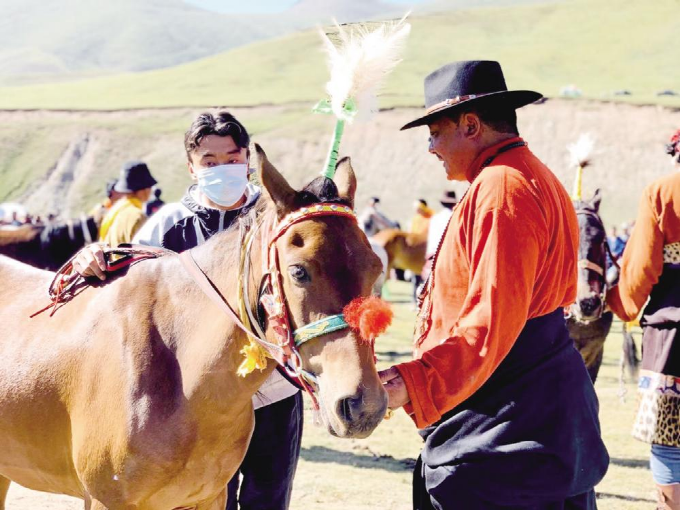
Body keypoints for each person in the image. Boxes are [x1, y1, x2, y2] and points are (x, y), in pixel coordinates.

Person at [378, 60, 609, 510]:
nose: (431, 148)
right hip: (527, 410)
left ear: (470, 125)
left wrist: (416, 381)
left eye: (435, 133)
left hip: (509, 419)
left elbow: (492, 318)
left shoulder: (502, 188)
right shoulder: (520, 174)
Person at [73, 111, 302, 511]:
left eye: (232, 158)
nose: (223, 169)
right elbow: (127, 289)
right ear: (191, 168)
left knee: (268, 498)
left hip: (275, 388)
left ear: (247, 159)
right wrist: (93, 258)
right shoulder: (166, 226)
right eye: (209, 162)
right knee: (203, 498)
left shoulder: (279, 220)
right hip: (196, 398)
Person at [607, 129, 680, 511]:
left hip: (673, 334)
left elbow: (640, 269)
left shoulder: (662, 192)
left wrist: (620, 305)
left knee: (668, 436)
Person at [98, 161, 157, 247]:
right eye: (149, 186)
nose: (150, 190)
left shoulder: (115, 210)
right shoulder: (137, 216)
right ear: (142, 190)